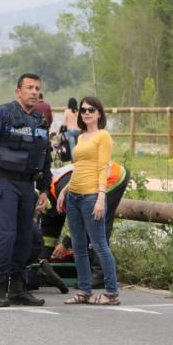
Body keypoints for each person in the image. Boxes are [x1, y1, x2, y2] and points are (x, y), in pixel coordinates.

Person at [0, 73, 52, 307]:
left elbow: (45, 157)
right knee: (7, 235)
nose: (34, 92)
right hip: (5, 182)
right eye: (29, 88)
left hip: (28, 186)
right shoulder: (2, 114)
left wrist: (44, 188)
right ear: (18, 92)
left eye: (37, 88)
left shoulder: (40, 121)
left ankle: (17, 287)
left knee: (26, 237)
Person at [59, 96, 121, 305]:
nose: (86, 113)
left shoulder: (103, 136)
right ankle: (84, 290)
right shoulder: (82, 137)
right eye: (83, 110)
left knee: (99, 244)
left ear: (99, 113)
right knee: (78, 245)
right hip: (74, 195)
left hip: (91, 195)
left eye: (91, 110)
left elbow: (104, 167)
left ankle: (111, 292)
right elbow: (79, 166)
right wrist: (64, 190)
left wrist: (101, 197)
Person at [40, 160, 130, 287]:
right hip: (92, 181)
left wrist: (65, 244)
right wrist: (42, 259)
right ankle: (92, 272)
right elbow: (49, 232)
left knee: (96, 223)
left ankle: (100, 276)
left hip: (111, 178)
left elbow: (81, 222)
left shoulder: (62, 191)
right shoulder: (48, 198)